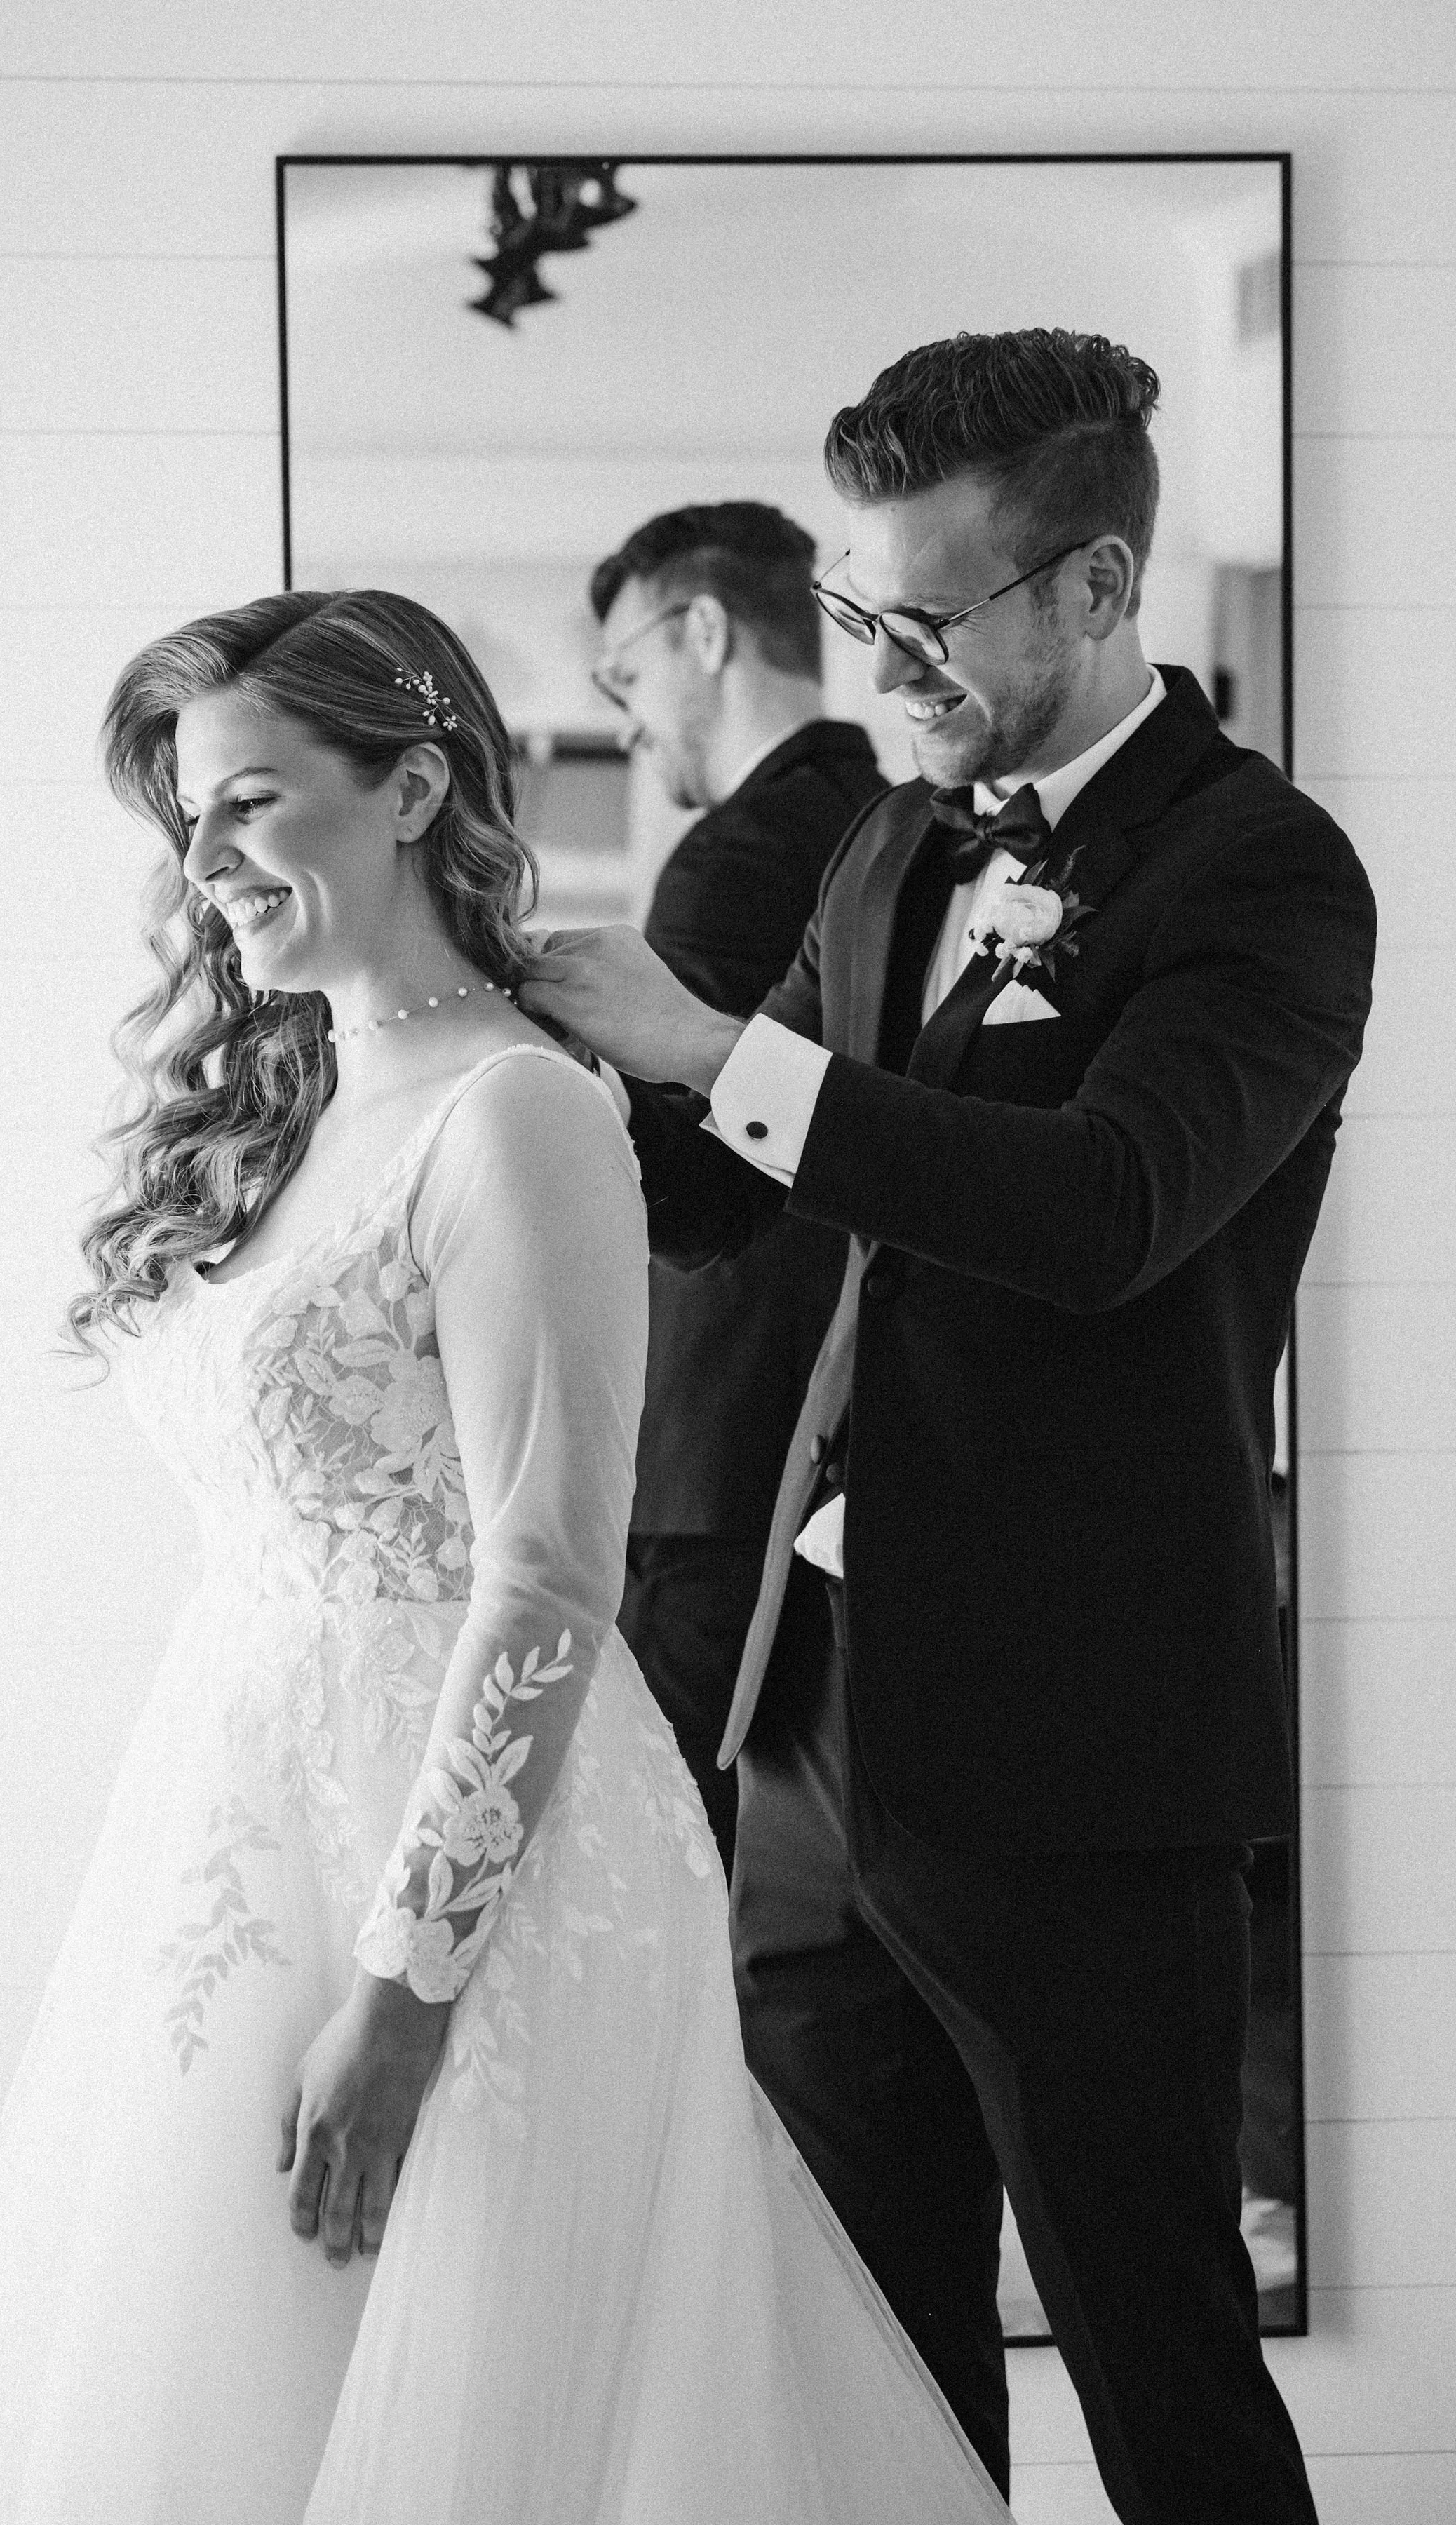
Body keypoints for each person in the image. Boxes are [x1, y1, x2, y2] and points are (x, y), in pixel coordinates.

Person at [0, 588, 1008, 2525]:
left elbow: (549, 1575)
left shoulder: (521, 1111)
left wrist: (407, 1988)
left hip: (472, 1867)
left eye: (246, 803)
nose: (206, 860)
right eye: (186, 820)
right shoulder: (290, 1100)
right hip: (238, 1825)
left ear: (411, 787)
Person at [525, 329, 1375, 2524]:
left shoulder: (1266, 876)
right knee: (872, 2376)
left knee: (1160, 2361)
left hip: (1083, 1749)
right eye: (855, 602)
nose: (876, 655)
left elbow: (1105, 1212)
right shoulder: (893, 842)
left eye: (926, 612)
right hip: (814, 1730)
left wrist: (719, 1040)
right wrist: (509, 1054)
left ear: (1098, 589)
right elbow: (720, 1191)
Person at [591, 501, 884, 1867]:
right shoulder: (878, 829)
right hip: (824, 1451)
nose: (634, 722)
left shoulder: (742, 853)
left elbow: (686, 1193)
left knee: (673, 1870)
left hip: (715, 1465)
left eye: (627, 677)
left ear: (703, 631)